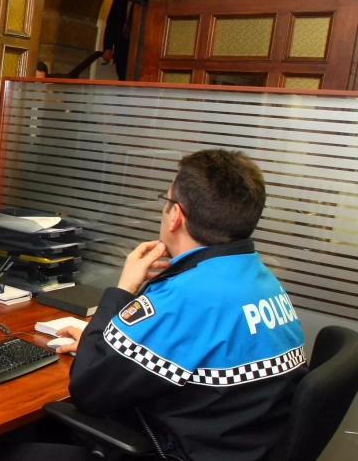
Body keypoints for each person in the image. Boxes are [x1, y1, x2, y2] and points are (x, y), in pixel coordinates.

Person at [53, 149, 305, 461]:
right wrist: (105, 346)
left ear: (176, 216)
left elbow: (88, 390)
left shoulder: (189, 296)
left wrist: (124, 288)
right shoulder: (262, 279)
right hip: (238, 445)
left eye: (166, 200)